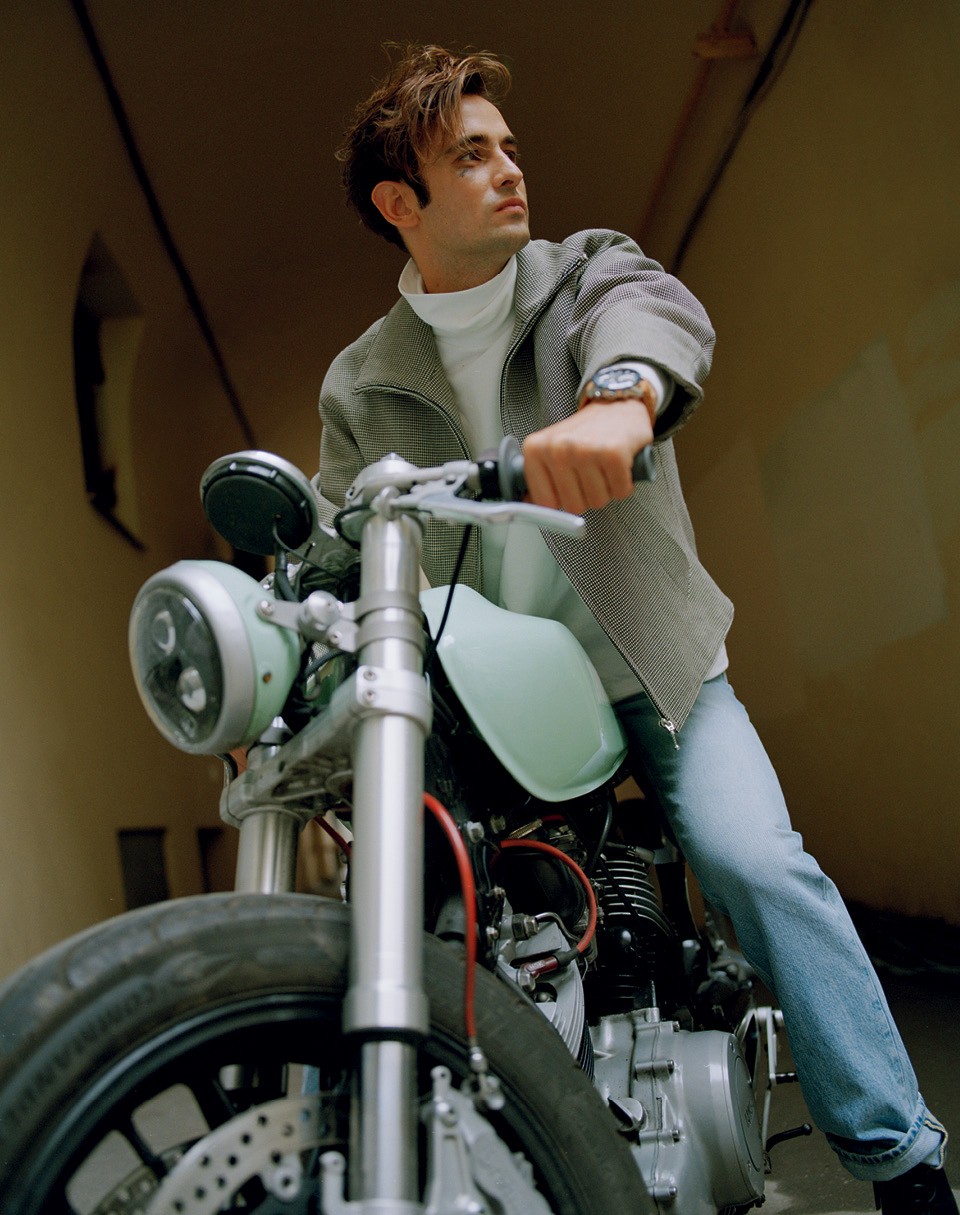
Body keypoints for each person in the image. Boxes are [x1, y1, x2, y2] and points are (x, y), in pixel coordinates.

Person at [314, 44, 955, 1215]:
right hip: (491, 701)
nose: (511, 169)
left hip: (653, 670)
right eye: (472, 155)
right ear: (401, 203)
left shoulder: (583, 273)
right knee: (408, 899)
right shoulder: (360, 383)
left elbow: (652, 318)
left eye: (509, 147)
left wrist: (619, 405)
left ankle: (903, 1161)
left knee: (758, 864)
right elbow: (340, 534)